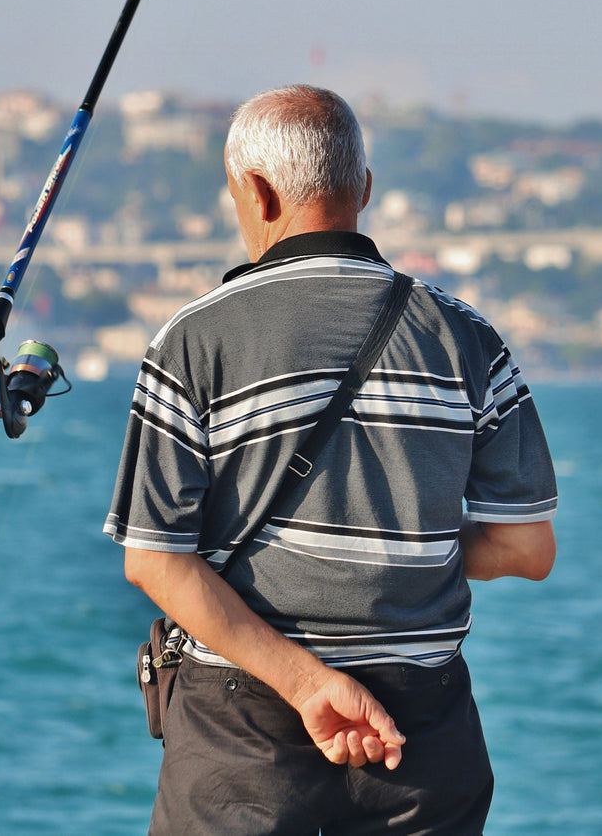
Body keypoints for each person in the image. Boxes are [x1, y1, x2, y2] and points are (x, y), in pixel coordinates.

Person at [104, 84, 558, 835]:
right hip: (419, 726)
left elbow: (155, 561)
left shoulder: (194, 339)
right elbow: (526, 547)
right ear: (364, 189)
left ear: (254, 190)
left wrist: (307, 681)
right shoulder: (469, 339)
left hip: (241, 726)